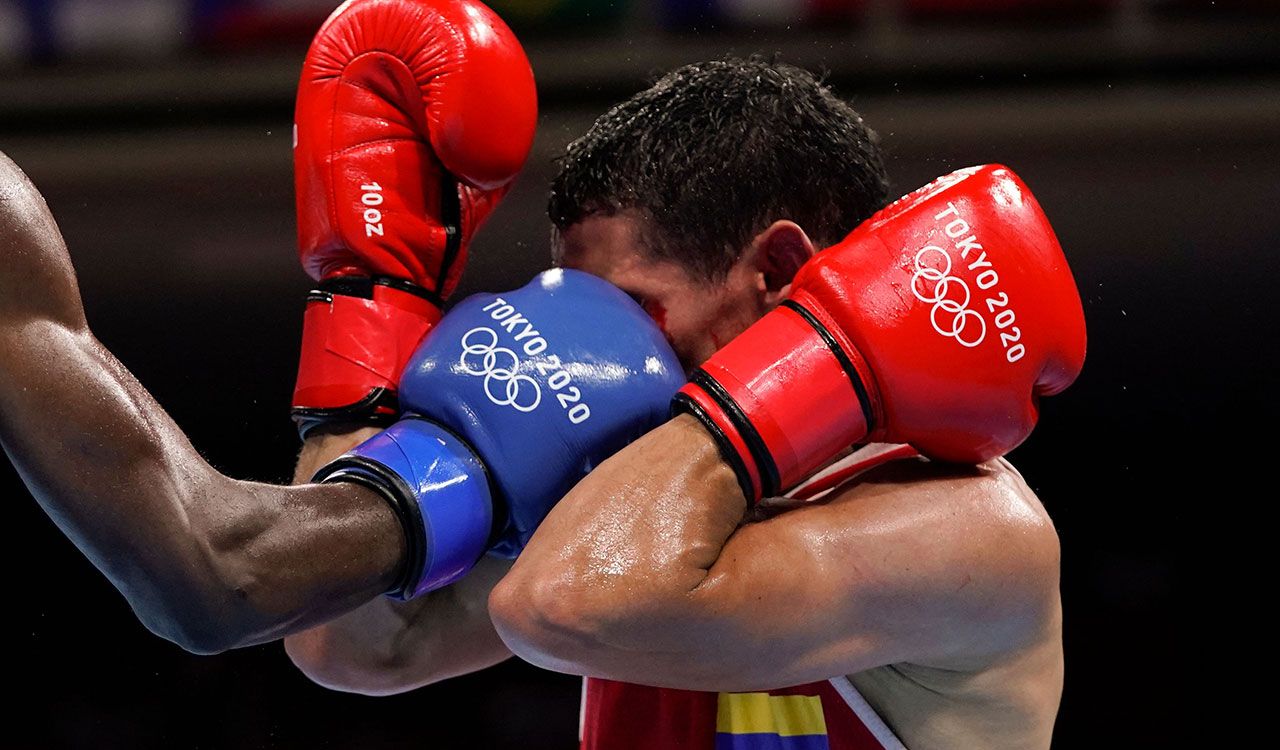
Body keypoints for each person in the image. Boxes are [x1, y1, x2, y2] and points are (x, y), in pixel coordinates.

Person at [2, 3, 1085, 749]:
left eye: (627, 314)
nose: (584, 353)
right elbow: (354, 638)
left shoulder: (968, 531)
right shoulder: (630, 483)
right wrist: (369, 306)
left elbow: (568, 603)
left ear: (782, 276)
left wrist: (808, 366)